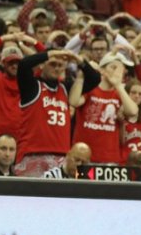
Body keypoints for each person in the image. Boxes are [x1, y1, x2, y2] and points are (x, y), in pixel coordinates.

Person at [16, 49, 98, 177]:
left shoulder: (66, 88)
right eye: (52, 64)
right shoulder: (31, 87)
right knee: (32, 196)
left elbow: (95, 79)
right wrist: (51, 54)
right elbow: (24, 65)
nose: (57, 68)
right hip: (33, 155)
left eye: (60, 65)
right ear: (42, 65)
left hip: (61, 157)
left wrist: (78, 60)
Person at [70, 52, 139, 164]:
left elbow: (133, 111)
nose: (118, 72)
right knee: (81, 180)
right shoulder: (90, 88)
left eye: (121, 69)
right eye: (113, 67)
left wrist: (117, 85)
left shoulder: (120, 93)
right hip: (84, 158)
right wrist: (81, 77)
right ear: (102, 70)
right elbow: (74, 101)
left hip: (110, 159)